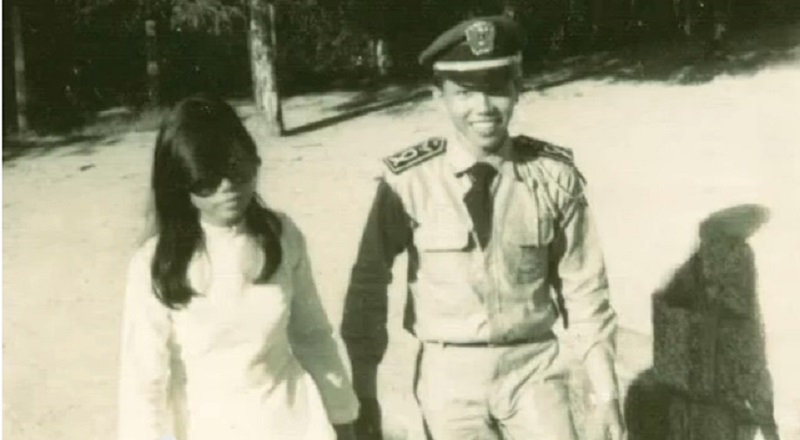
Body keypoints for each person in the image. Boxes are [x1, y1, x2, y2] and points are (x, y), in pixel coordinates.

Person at [341, 16, 625, 440]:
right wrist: (364, 392)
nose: (484, 108)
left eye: (496, 89)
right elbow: (368, 285)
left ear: (517, 88)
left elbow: (585, 289)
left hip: (535, 368)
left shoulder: (553, 177)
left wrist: (606, 395)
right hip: (450, 377)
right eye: (464, 93)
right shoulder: (409, 183)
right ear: (438, 96)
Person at [117, 94, 359, 440]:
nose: (227, 188)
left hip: (291, 422)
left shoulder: (282, 235)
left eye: (239, 170)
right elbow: (143, 382)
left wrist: (343, 416)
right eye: (207, 181)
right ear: (180, 183)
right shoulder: (154, 263)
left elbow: (312, 334)